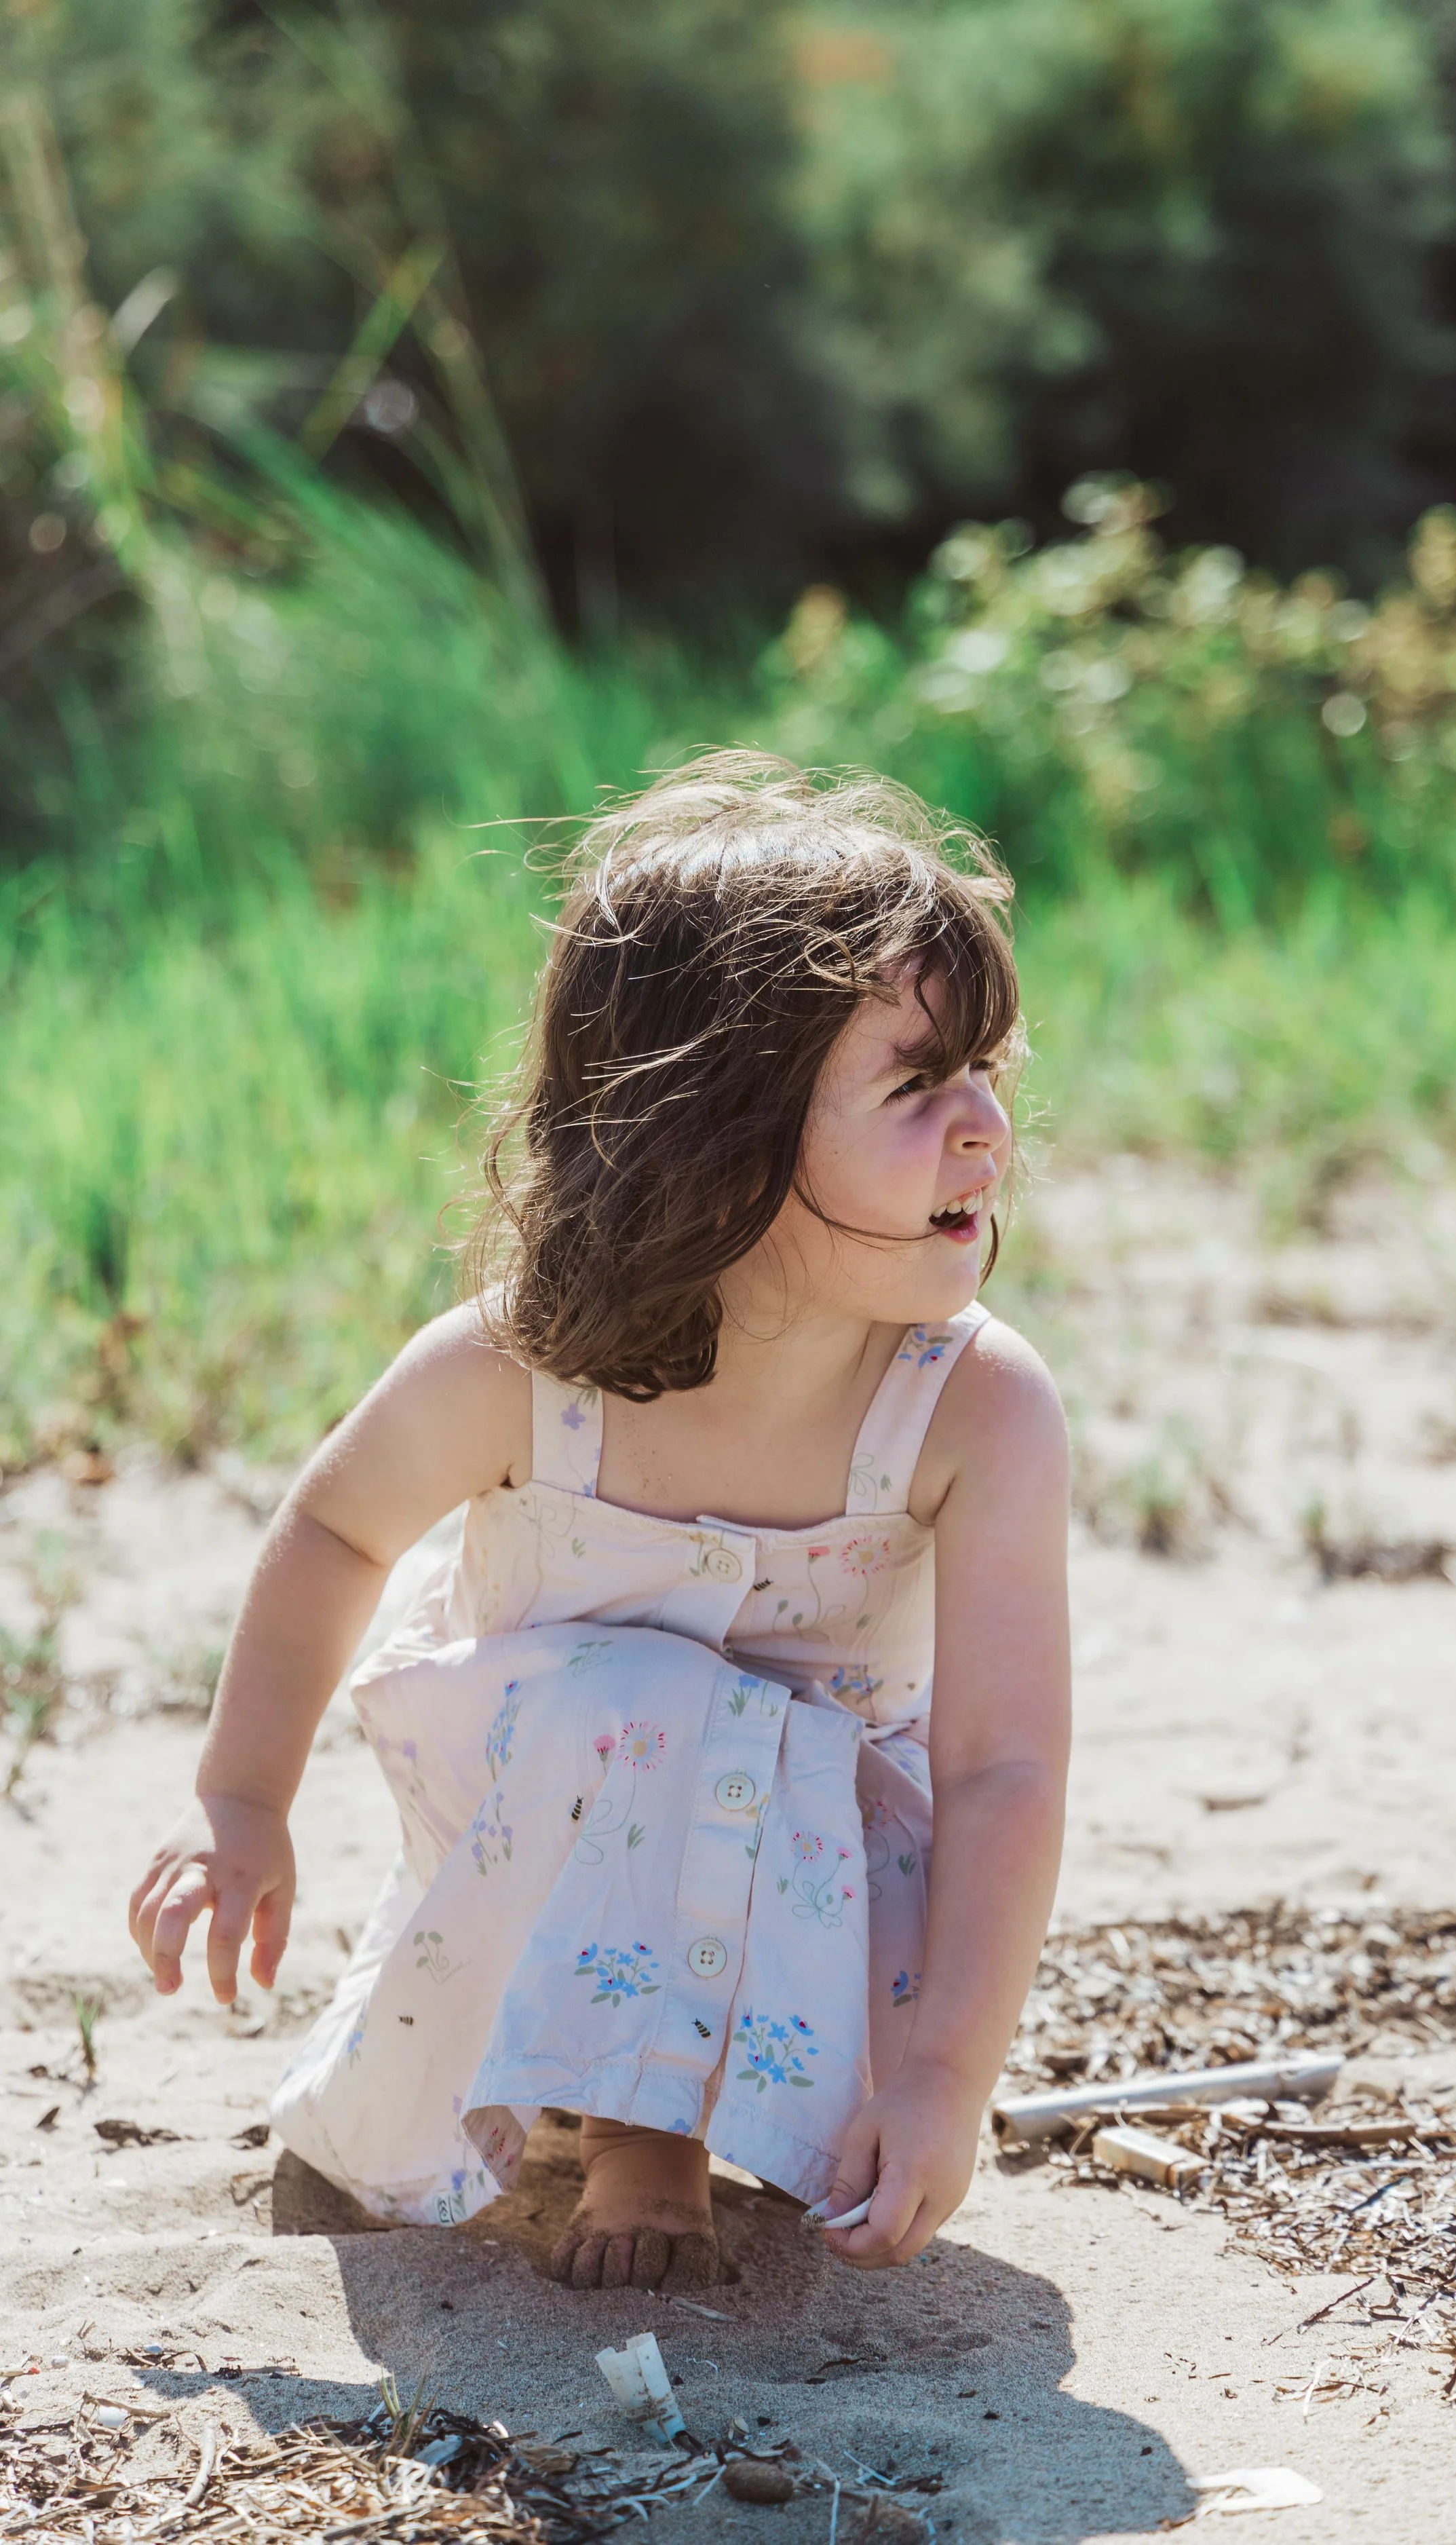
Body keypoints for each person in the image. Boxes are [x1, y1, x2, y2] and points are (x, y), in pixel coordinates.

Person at [128, 752, 1071, 2290]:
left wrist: (942, 2077)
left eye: (989, 1073)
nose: (981, 1126)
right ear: (714, 1135)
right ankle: (626, 2118)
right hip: (550, 1820)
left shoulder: (974, 1407)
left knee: (740, 1740)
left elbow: (1002, 1764)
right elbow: (334, 1534)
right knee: (648, 1700)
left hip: (818, 1872)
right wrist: (240, 1797)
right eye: (914, 1085)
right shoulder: (521, 1369)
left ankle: (702, 2101)